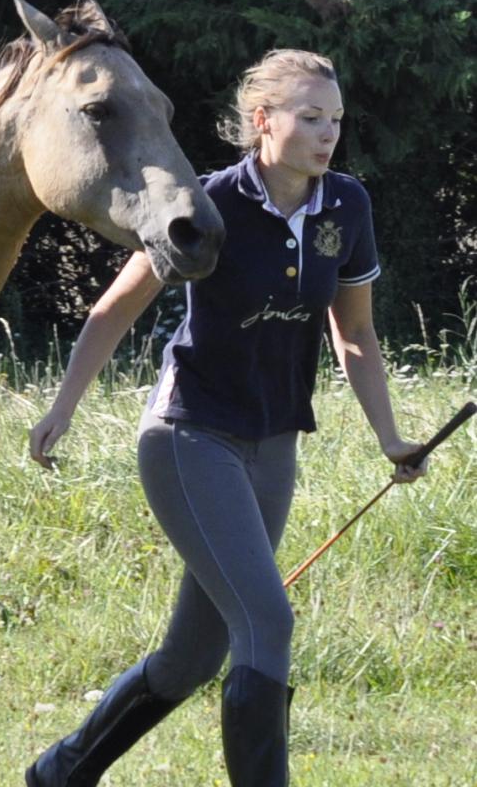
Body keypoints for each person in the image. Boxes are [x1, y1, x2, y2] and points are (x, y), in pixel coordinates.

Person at [24, 49, 427, 787]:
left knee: (191, 658)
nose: (327, 133)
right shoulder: (206, 202)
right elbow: (115, 308)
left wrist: (390, 438)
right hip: (189, 435)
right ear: (262, 120)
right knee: (267, 624)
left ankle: (59, 773)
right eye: (310, 117)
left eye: (334, 119)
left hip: (274, 446)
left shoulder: (347, 206)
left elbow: (357, 335)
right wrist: (62, 408)